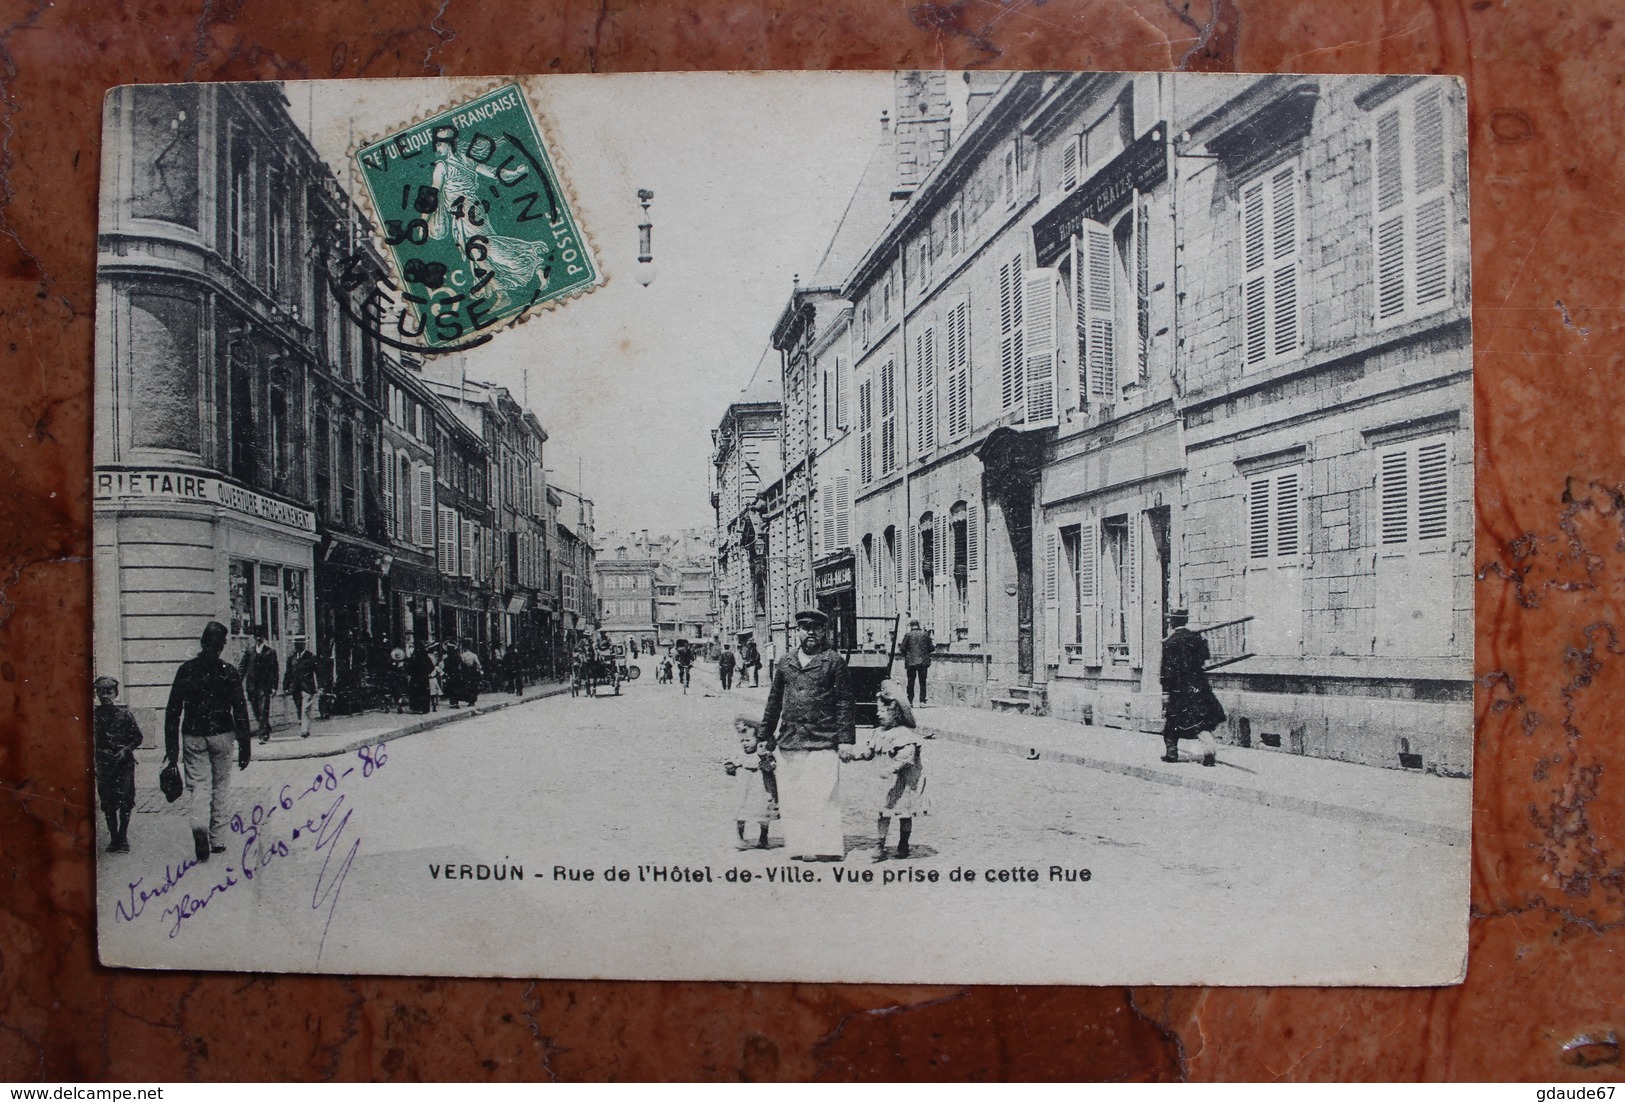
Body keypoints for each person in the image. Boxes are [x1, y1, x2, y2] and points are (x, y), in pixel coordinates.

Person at [758, 609, 856, 862]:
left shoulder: (833, 662)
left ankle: (825, 846)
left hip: (823, 737)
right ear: (797, 632)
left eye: (816, 628)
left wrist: (845, 740)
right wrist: (764, 735)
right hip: (791, 739)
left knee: (823, 795)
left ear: (824, 632)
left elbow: (845, 702)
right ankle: (800, 846)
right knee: (793, 797)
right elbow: (774, 701)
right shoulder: (785, 662)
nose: (810, 632)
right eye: (805, 628)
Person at [164, 621, 252, 862]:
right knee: (221, 786)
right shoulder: (229, 671)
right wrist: (245, 745)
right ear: (222, 646)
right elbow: (240, 710)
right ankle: (218, 839)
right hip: (222, 734)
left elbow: (172, 711)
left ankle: (198, 824)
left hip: (193, 734)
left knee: (199, 785)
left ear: (202, 642)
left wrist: (172, 751)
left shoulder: (186, 670)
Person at [867, 678, 929, 861]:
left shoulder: (904, 735)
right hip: (886, 786)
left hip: (902, 784)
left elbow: (907, 757)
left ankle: (903, 844)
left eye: (884, 711)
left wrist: (890, 768)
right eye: (878, 710)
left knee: (904, 813)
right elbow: (871, 750)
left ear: (897, 714)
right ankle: (880, 845)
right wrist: (857, 755)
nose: (879, 715)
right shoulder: (879, 733)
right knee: (883, 813)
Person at [1160, 609, 1226, 766]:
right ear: (1185, 621)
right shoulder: (1196, 638)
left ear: (1173, 622)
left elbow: (1166, 670)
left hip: (1178, 689)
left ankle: (1172, 754)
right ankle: (1209, 753)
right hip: (1198, 687)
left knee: (1172, 724)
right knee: (1201, 722)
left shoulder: (1169, 642)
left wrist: (1165, 691)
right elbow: (1206, 657)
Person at [93, 676, 144, 854]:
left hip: (124, 764)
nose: (105, 695)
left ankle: (123, 838)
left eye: (109, 691)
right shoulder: (93, 716)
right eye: (101, 691)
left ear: (116, 692)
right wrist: (99, 754)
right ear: (96, 693)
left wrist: (126, 750)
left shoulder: (125, 714)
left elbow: (137, 737)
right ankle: (113, 838)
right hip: (104, 764)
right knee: (107, 802)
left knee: (126, 800)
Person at [724, 716, 778, 850]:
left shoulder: (764, 754)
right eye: (742, 741)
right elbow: (730, 764)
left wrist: (763, 757)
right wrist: (730, 766)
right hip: (744, 789)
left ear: (758, 740)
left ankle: (763, 837)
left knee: (763, 813)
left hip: (761, 788)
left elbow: (770, 767)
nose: (744, 743)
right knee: (740, 812)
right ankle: (740, 837)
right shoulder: (739, 753)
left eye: (748, 740)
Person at [239, 626, 279, 743]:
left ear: (263, 637)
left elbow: (274, 670)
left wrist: (274, 686)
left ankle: (263, 735)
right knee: (256, 710)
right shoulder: (249, 651)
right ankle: (266, 727)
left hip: (264, 686)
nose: (258, 639)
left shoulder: (270, 652)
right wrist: (237, 681)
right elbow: (242, 667)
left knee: (263, 710)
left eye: (260, 636)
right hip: (251, 686)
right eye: (256, 637)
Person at [283, 635, 320, 738]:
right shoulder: (291, 657)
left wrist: (320, 686)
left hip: (307, 686)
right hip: (295, 687)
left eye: (300, 644)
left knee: (306, 708)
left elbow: (318, 672)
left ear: (304, 644)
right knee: (299, 707)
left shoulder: (311, 657)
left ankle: (304, 729)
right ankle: (302, 723)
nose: (297, 646)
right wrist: (285, 686)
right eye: (296, 644)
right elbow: (288, 672)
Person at [899, 618, 934, 707]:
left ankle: (910, 701)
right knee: (922, 682)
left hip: (911, 662)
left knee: (911, 681)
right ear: (918, 625)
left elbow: (902, 648)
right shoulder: (925, 635)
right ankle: (922, 702)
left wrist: (908, 655)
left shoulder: (908, 635)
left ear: (911, 626)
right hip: (923, 662)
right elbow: (932, 648)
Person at [405, 637, 434, 714]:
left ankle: (416, 707)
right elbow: (431, 667)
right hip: (423, 677)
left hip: (415, 677)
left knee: (416, 692)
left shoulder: (414, 657)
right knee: (423, 692)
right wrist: (426, 672)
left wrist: (412, 673)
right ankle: (424, 708)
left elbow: (408, 667)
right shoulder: (425, 657)